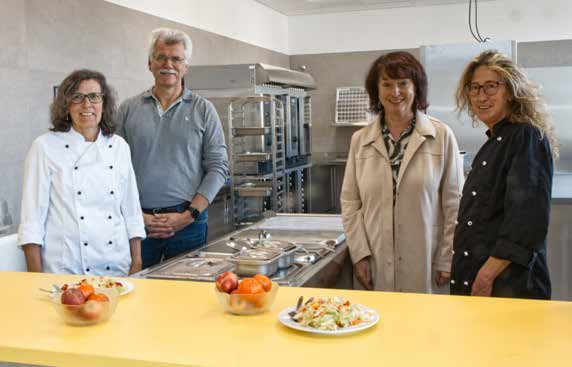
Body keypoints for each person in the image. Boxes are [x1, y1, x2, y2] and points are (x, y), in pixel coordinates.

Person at [340, 51, 464, 293]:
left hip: (426, 262)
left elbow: (455, 203)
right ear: (376, 90)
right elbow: (350, 203)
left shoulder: (441, 136)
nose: (395, 92)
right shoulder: (360, 140)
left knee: (425, 326)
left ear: (416, 87)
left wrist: (447, 258)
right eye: (387, 84)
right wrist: (359, 254)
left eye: (403, 83)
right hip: (375, 260)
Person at [117, 28, 228, 269]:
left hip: (189, 224)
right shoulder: (127, 110)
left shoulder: (203, 110)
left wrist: (189, 216)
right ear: (150, 63)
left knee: (186, 295)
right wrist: (139, 217)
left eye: (176, 58)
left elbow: (218, 167)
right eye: (161, 57)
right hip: (139, 224)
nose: (168, 64)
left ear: (186, 66)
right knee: (138, 295)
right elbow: (112, 169)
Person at [18, 69, 146, 276]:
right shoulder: (44, 147)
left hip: (116, 267)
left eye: (94, 97)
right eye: (77, 97)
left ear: (104, 104)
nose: (87, 105)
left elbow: (131, 210)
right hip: (67, 269)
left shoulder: (119, 146)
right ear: (66, 105)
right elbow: (32, 220)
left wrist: (137, 263)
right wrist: (35, 278)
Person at [450, 50, 556, 299]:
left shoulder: (525, 137)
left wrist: (486, 276)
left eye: (490, 87)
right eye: (474, 88)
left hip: (508, 287)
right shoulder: (495, 141)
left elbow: (526, 222)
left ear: (510, 91)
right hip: (484, 283)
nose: (480, 96)